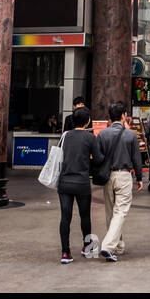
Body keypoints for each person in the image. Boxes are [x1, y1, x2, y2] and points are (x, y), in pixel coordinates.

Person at [96, 103, 143, 261]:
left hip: (108, 176)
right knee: (120, 212)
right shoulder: (130, 135)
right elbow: (137, 158)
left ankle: (118, 246)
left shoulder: (102, 135)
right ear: (124, 115)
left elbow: (98, 158)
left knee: (111, 212)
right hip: (123, 175)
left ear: (109, 117)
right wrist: (140, 178)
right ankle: (108, 246)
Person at [57, 106, 99, 263]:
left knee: (65, 217)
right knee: (85, 216)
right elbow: (98, 158)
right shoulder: (90, 138)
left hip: (64, 182)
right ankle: (87, 247)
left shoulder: (65, 136)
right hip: (81, 182)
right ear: (88, 121)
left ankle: (65, 253)